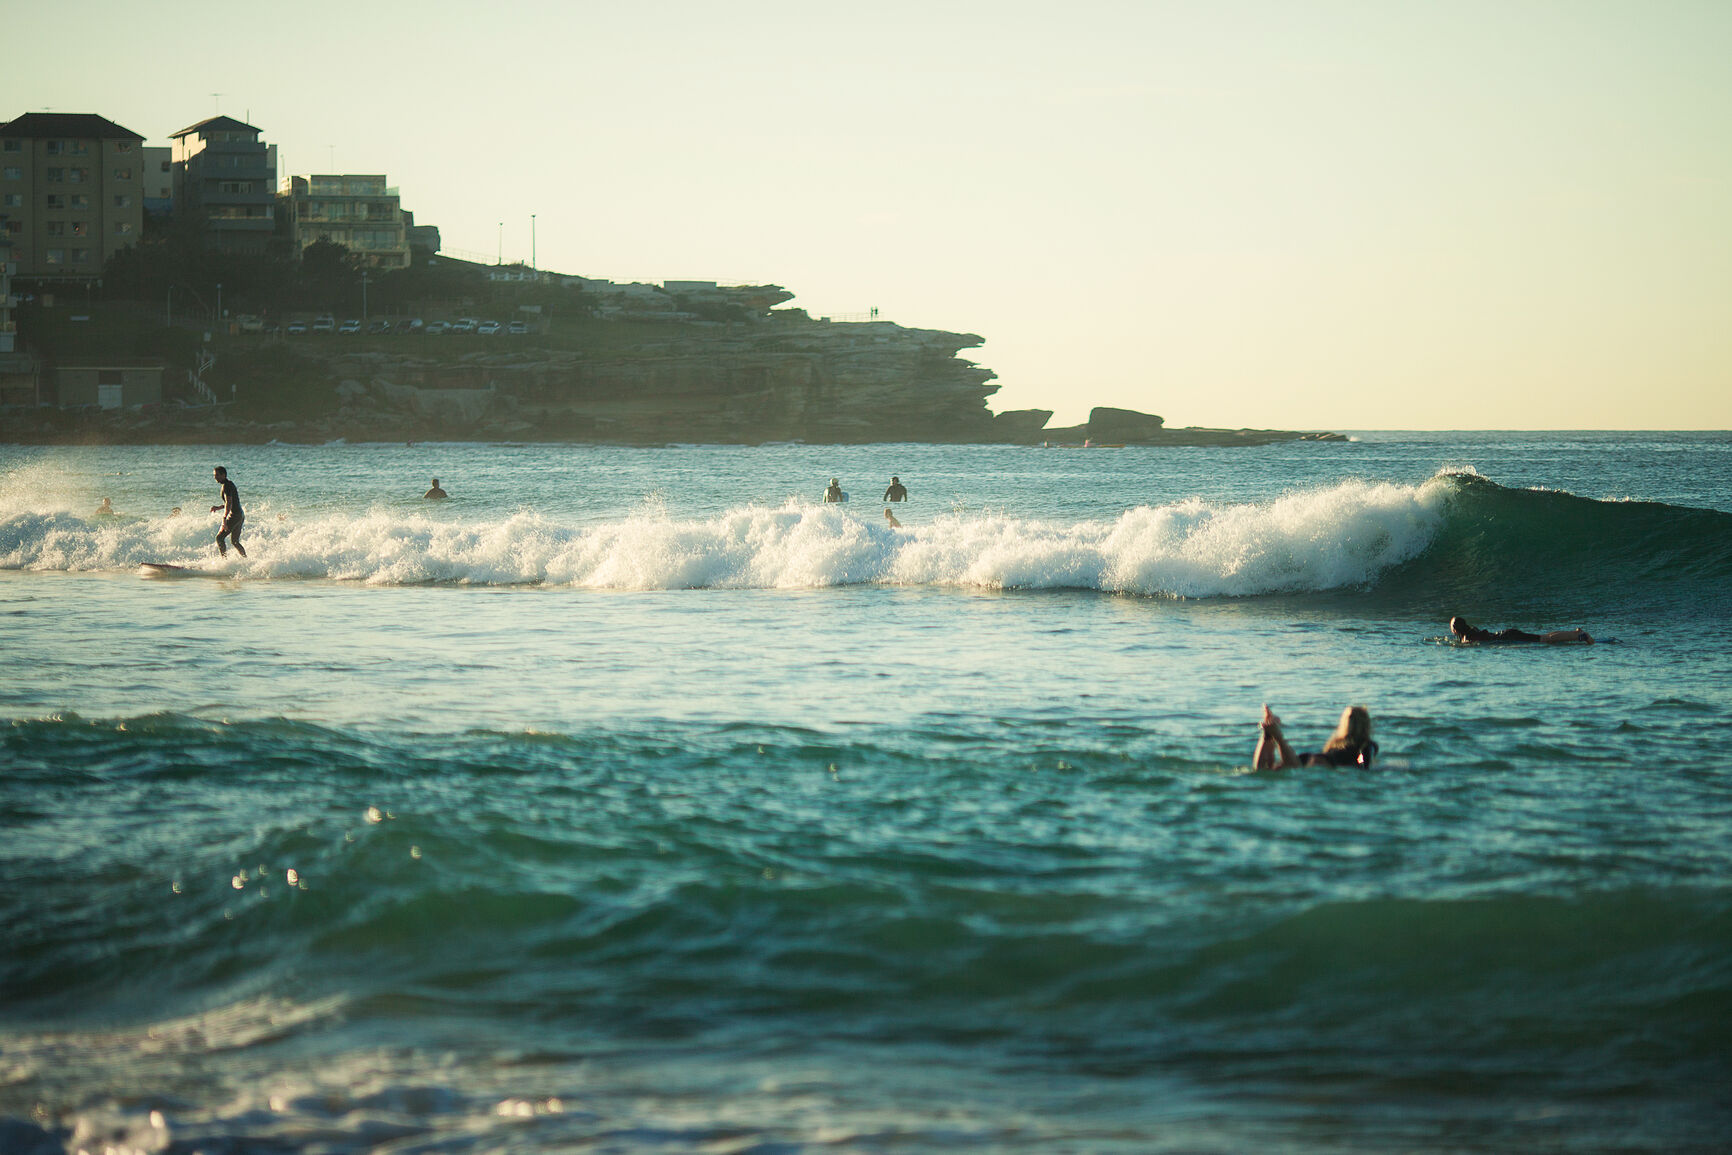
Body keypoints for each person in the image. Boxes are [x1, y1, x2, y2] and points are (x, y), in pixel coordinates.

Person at [1254, 705, 1376, 770]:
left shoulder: (1335, 743)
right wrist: (1361, 766)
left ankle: (1269, 734)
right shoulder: (1366, 744)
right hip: (1320, 763)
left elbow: (1361, 760)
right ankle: (1276, 735)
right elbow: (1363, 762)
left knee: (1263, 770)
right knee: (1281, 768)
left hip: (1311, 759)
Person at [1449, 616, 1592, 645]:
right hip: (1507, 635)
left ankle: (1578, 635)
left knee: (1544, 639)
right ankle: (1575, 634)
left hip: (1509, 637)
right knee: (1544, 638)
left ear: (1455, 630)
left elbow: (1483, 639)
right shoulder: (1470, 633)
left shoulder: (1468, 639)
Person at [210, 465, 246, 558]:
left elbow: (229, 503)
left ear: (224, 475)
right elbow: (229, 503)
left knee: (219, 538)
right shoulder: (229, 484)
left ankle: (224, 560)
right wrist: (218, 507)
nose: (215, 477)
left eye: (217, 475)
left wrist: (224, 518)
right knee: (235, 541)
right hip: (240, 514)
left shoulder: (226, 486)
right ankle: (245, 559)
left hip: (234, 515)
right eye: (214, 475)